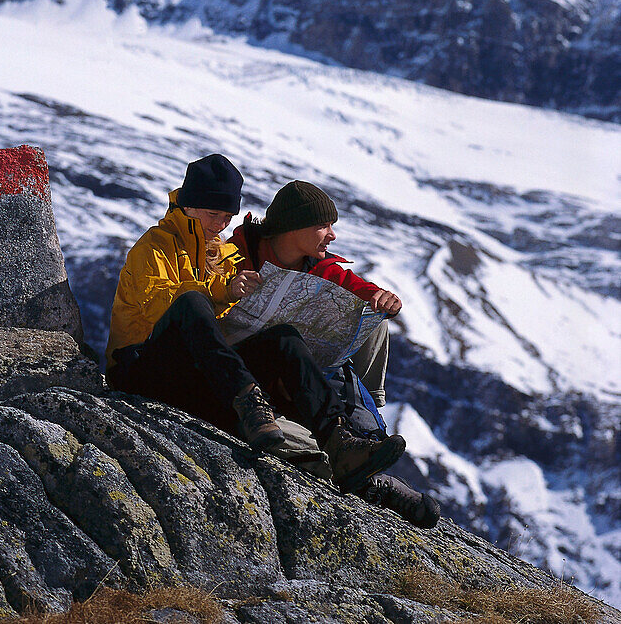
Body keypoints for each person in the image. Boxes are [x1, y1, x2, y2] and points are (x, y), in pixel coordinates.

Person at [106, 154, 406, 495]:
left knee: (285, 338)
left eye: (227, 216)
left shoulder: (222, 253)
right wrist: (222, 290)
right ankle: (250, 402)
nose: (220, 224)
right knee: (190, 302)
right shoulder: (156, 245)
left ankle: (339, 441)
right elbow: (159, 304)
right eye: (213, 214)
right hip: (143, 367)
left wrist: (236, 295)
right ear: (188, 206)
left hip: (203, 373)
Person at [232, 180, 440, 529]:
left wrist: (381, 297)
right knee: (288, 440)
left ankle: (365, 431)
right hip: (250, 378)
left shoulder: (318, 265)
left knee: (374, 322)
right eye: (323, 226)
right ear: (293, 227)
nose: (332, 236)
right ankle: (374, 483)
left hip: (297, 377)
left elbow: (355, 285)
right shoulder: (234, 256)